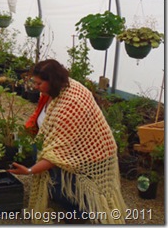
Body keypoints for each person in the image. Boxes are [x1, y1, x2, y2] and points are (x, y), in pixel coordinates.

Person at [7, 59, 126, 223]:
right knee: (52, 180)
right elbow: (41, 118)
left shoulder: (71, 104)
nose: (35, 87)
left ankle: (80, 212)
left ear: (52, 81)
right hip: (74, 148)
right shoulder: (57, 90)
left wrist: (29, 171)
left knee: (60, 189)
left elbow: (57, 154)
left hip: (92, 156)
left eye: (39, 83)